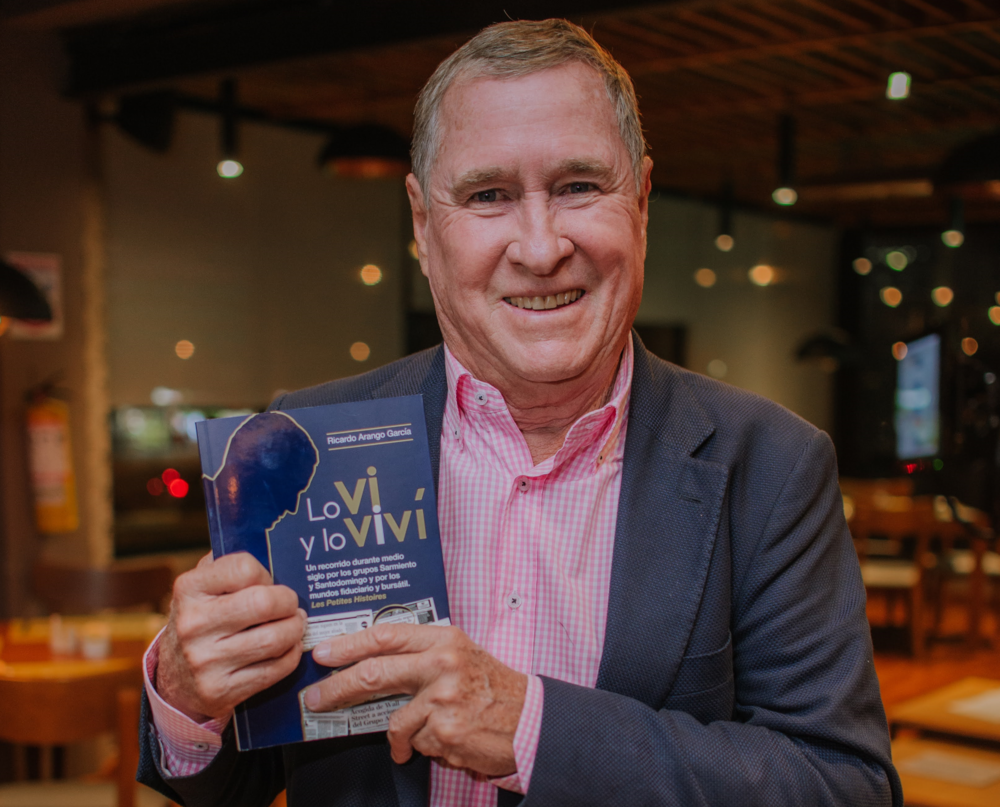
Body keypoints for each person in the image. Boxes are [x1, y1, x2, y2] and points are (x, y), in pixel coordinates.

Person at [138, 18, 902, 807]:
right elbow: (228, 781)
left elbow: (844, 785)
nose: (540, 249)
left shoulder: (772, 464)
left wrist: (532, 729)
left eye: (578, 186)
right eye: (488, 195)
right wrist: (186, 694)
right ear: (423, 226)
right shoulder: (304, 438)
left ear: (640, 199)